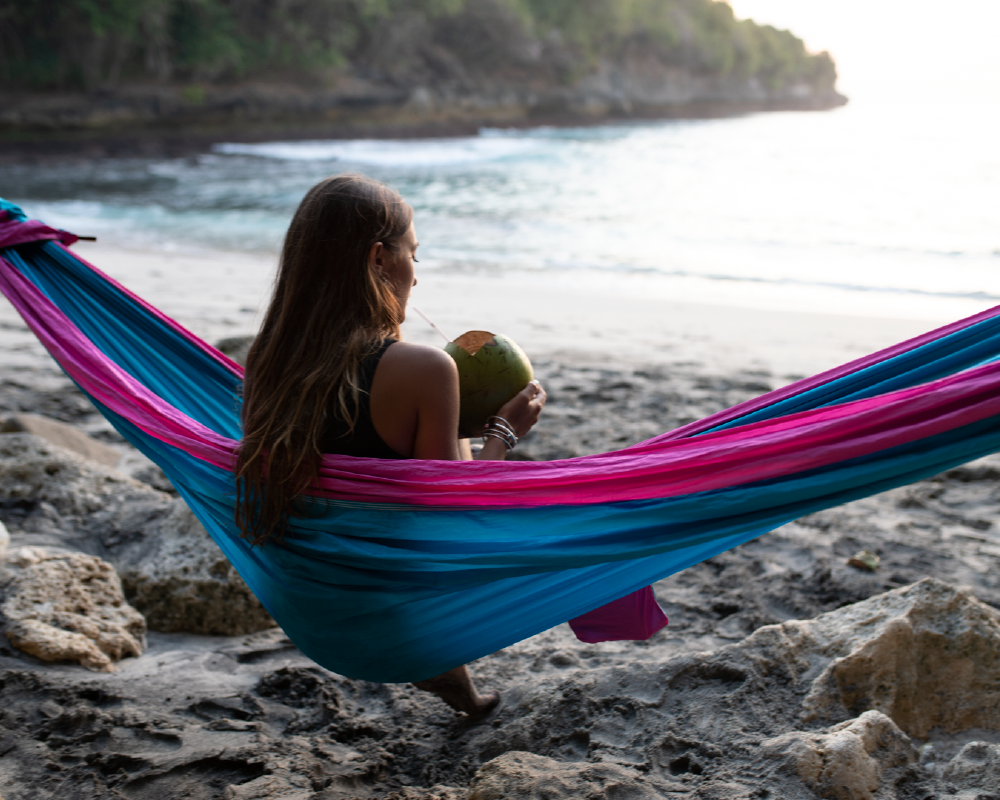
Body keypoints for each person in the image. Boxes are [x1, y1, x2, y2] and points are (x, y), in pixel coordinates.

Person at [235, 173, 547, 717]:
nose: (416, 281)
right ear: (379, 258)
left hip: (307, 600)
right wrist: (502, 434)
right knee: (560, 532)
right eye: (414, 258)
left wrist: (452, 421)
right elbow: (452, 522)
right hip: (395, 610)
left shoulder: (269, 360)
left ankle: (458, 686)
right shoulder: (424, 368)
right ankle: (440, 662)